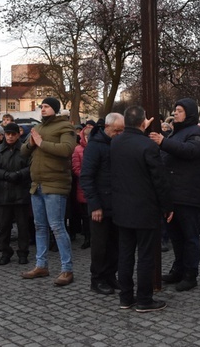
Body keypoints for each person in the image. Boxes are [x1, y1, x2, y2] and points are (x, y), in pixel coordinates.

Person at [111, 106, 173, 312]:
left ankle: (126, 297)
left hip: (122, 208)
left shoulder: (116, 142)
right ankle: (144, 299)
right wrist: (167, 206)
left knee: (125, 254)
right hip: (145, 209)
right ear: (142, 122)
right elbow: (159, 179)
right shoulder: (148, 146)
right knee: (146, 256)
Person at [149, 98, 200, 292]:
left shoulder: (198, 132)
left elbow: (190, 151)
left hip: (189, 195)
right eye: (175, 110)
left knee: (189, 236)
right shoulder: (176, 133)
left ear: (190, 113)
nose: (175, 113)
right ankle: (179, 268)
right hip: (173, 195)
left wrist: (163, 142)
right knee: (176, 236)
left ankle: (191, 274)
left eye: (180, 110)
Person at [20, 97, 76, 287]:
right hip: (37, 184)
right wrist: (31, 143)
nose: (42, 109)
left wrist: (41, 143)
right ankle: (41, 265)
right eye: (41, 106)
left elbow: (67, 149)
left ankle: (67, 269)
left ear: (55, 109)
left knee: (57, 227)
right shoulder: (39, 128)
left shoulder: (65, 127)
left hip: (55, 184)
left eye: (46, 106)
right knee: (39, 227)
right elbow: (23, 151)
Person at [79, 112, 125, 295]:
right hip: (100, 205)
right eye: (117, 130)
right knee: (100, 246)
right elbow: (87, 177)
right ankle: (97, 279)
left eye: (122, 130)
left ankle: (110, 275)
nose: (120, 134)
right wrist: (95, 205)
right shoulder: (95, 146)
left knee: (115, 243)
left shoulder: (116, 144)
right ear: (107, 128)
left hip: (116, 203)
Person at [0, 122, 31, 266]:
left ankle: (23, 252)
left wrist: (18, 174)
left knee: (23, 226)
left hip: (21, 193)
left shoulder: (25, 150)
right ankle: (5, 252)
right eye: (8, 134)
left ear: (18, 134)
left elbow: (31, 167)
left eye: (13, 134)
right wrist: (6, 175)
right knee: (4, 226)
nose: (10, 137)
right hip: (3, 193)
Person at [71, 121, 94, 249]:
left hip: (94, 186)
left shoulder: (95, 148)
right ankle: (87, 238)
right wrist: (85, 176)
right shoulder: (78, 150)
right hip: (83, 186)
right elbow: (75, 167)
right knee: (85, 216)